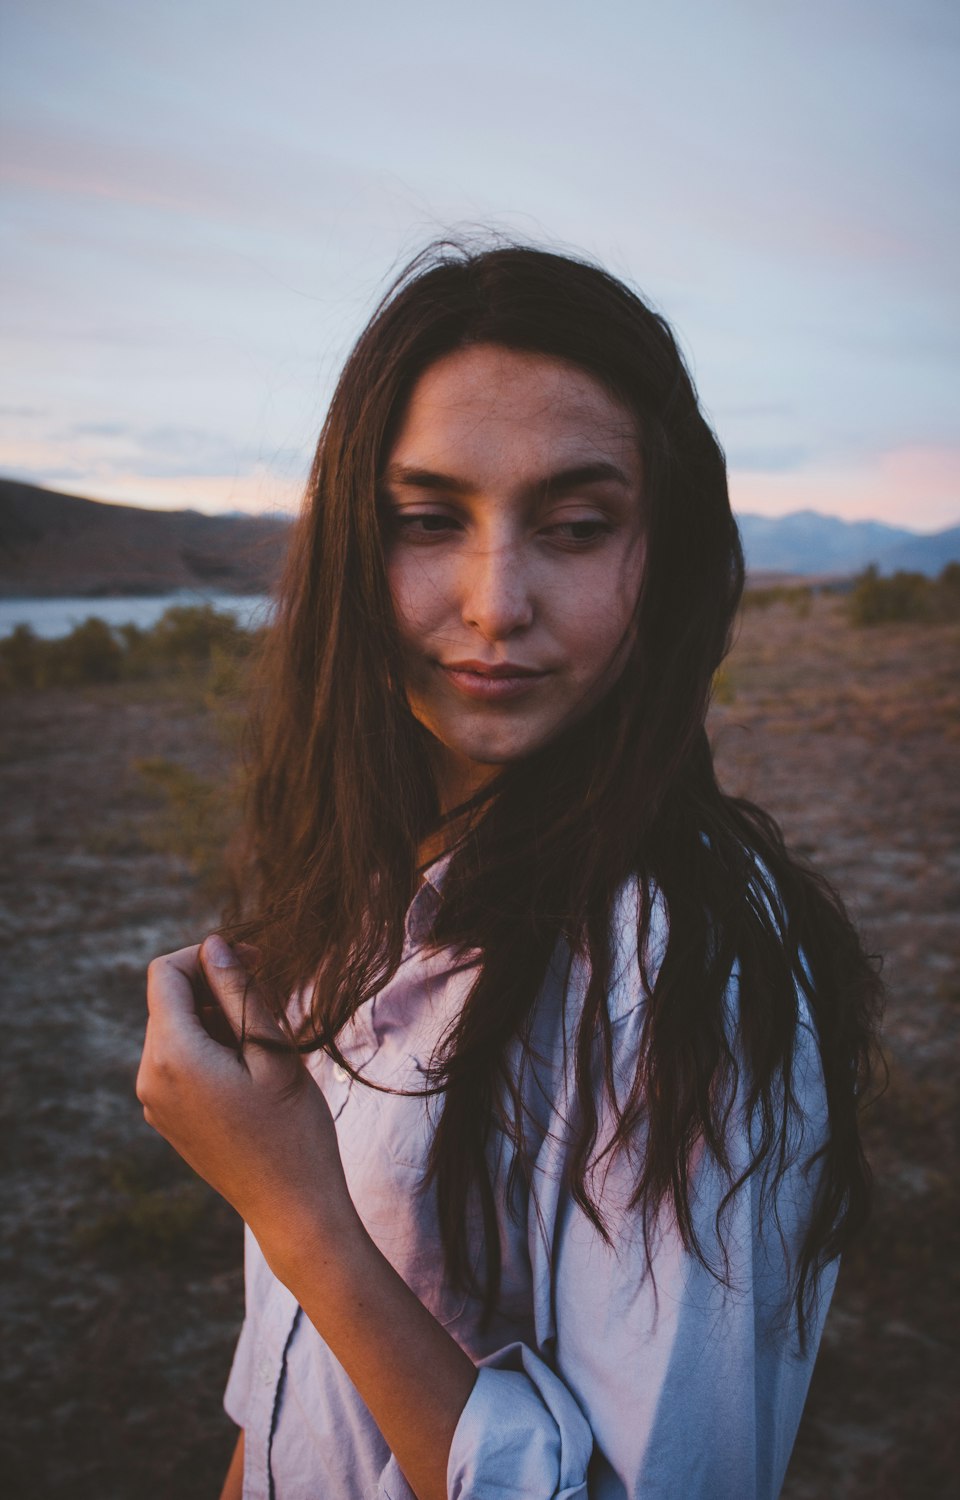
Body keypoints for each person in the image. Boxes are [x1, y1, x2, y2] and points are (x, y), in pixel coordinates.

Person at [137, 242, 883, 1500]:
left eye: (576, 527)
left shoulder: (675, 961)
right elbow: (288, 1406)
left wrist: (298, 1210)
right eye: (429, 522)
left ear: (669, 557)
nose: (495, 601)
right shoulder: (379, 887)